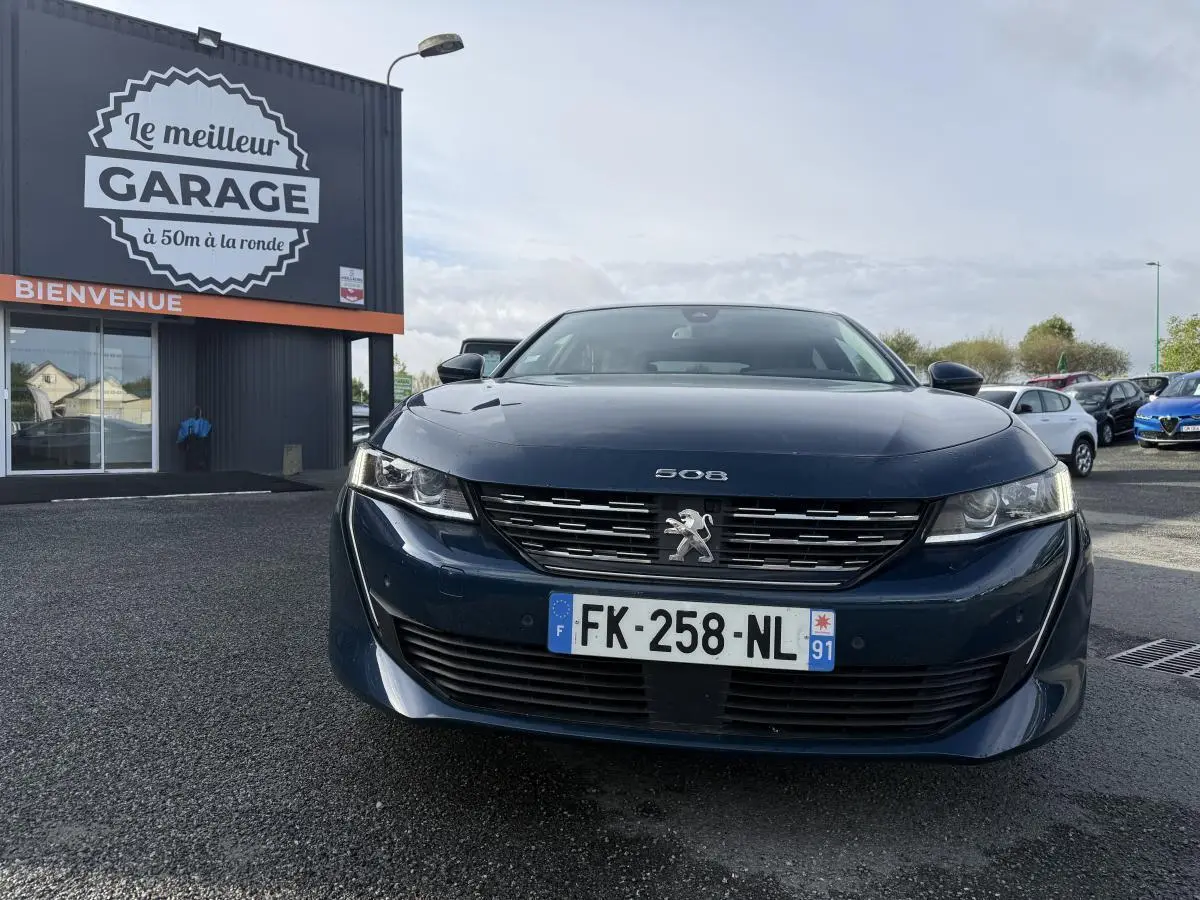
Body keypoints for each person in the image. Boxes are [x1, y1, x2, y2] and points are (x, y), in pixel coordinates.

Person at [177, 406, 212, 471]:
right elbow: (183, 437)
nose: (198, 414)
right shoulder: (189, 423)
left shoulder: (204, 423)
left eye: (198, 412)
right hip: (192, 449)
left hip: (198, 450)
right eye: (196, 412)